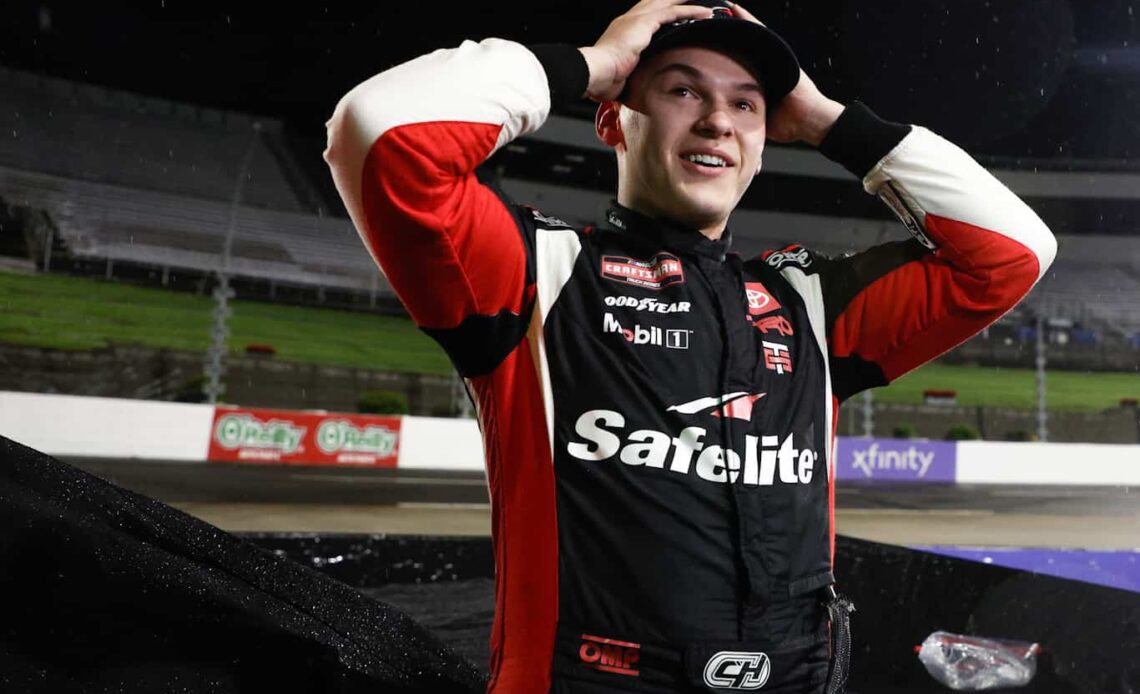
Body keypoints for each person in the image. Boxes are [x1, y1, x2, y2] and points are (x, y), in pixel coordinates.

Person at [324, 1, 1057, 691]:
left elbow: (1014, 252)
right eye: (682, 92)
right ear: (613, 119)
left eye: (746, 104)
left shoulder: (809, 304)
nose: (717, 122)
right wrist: (593, 61)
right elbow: (379, 130)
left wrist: (832, 122)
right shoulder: (533, 271)